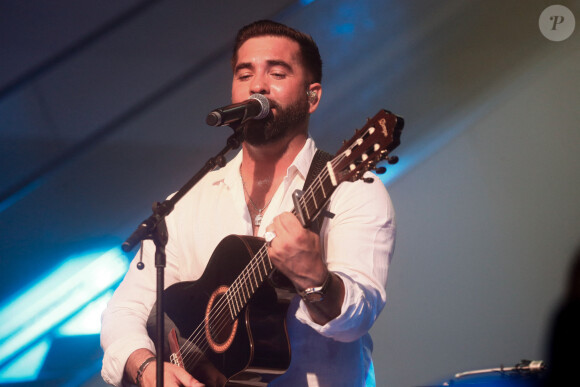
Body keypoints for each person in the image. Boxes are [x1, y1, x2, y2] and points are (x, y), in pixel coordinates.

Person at [101, 20, 396, 387]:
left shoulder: (353, 189)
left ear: (312, 96)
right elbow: (125, 310)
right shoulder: (188, 201)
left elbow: (359, 316)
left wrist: (315, 281)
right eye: (245, 74)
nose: (257, 85)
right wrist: (146, 366)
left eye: (276, 72)